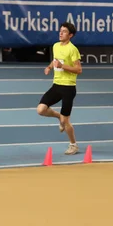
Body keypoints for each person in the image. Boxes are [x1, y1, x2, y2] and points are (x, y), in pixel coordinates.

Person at [37, 22, 82, 155]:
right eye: (60, 31)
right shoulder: (56, 46)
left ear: (70, 35)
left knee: (65, 120)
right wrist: (49, 67)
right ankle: (58, 117)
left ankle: (73, 145)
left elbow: (79, 69)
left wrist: (63, 66)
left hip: (68, 87)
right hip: (56, 85)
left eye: (64, 31)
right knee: (41, 109)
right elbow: (56, 60)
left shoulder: (73, 49)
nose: (60, 33)